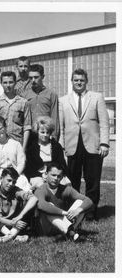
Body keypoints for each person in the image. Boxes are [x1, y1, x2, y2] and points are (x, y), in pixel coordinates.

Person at [59, 68, 109, 220]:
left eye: (81, 80)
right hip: (71, 146)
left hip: (92, 146)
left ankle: (90, 213)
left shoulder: (97, 97)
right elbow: (61, 126)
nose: (79, 82)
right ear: (72, 82)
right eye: (76, 80)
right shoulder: (63, 100)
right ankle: (74, 212)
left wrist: (104, 143)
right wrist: (61, 146)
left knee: (92, 180)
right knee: (72, 181)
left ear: (86, 81)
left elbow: (104, 123)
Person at [34, 162, 93, 241]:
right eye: (53, 175)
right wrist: (65, 213)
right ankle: (70, 232)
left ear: (62, 178)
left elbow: (88, 200)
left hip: (62, 224)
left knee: (80, 202)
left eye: (59, 176)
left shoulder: (65, 189)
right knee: (49, 205)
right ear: (46, 174)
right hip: (46, 228)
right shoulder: (41, 189)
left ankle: (70, 233)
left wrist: (78, 210)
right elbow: (41, 205)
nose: (56, 178)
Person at [0, 167, 38, 242]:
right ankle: (13, 236)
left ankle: (8, 237)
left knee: (30, 205)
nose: (11, 184)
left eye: (14, 182)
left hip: (17, 223)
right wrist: (12, 223)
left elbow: (34, 199)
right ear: (1, 179)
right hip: (2, 225)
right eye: (9, 180)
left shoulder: (15, 190)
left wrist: (20, 216)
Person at [0, 116, 30, 191]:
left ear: (5, 127)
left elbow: (21, 163)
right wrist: (2, 177)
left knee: (21, 186)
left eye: (0, 128)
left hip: (16, 174)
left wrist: (14, 175)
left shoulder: (16, 144)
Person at [0, 71, 32, 151]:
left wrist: (23, 149)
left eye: (10, 82)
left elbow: (27, 127)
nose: (8, 85)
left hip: (17, 144)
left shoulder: (23, 102)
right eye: (5, 82)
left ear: (15, 83)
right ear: (1, 83)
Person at [25, 116, 68, 189]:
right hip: (37, 175)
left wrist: (51, 175)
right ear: (37, 132)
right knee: (41, 186)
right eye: (42, 132)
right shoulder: (31, 147)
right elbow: (29, 168)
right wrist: (42, 175)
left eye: (47, 132)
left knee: (65, 184)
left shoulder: (56, 146)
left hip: (55, 174)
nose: (45, 135)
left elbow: (61, 164)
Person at [20, 64, 59, 140]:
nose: (33, 80)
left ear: (43, 77)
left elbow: (55, 117)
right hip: (30, 136)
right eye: (30, 78)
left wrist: (54, 136)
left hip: (46, 135)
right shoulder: (24, 95)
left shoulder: (51, 94)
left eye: (36, 77)